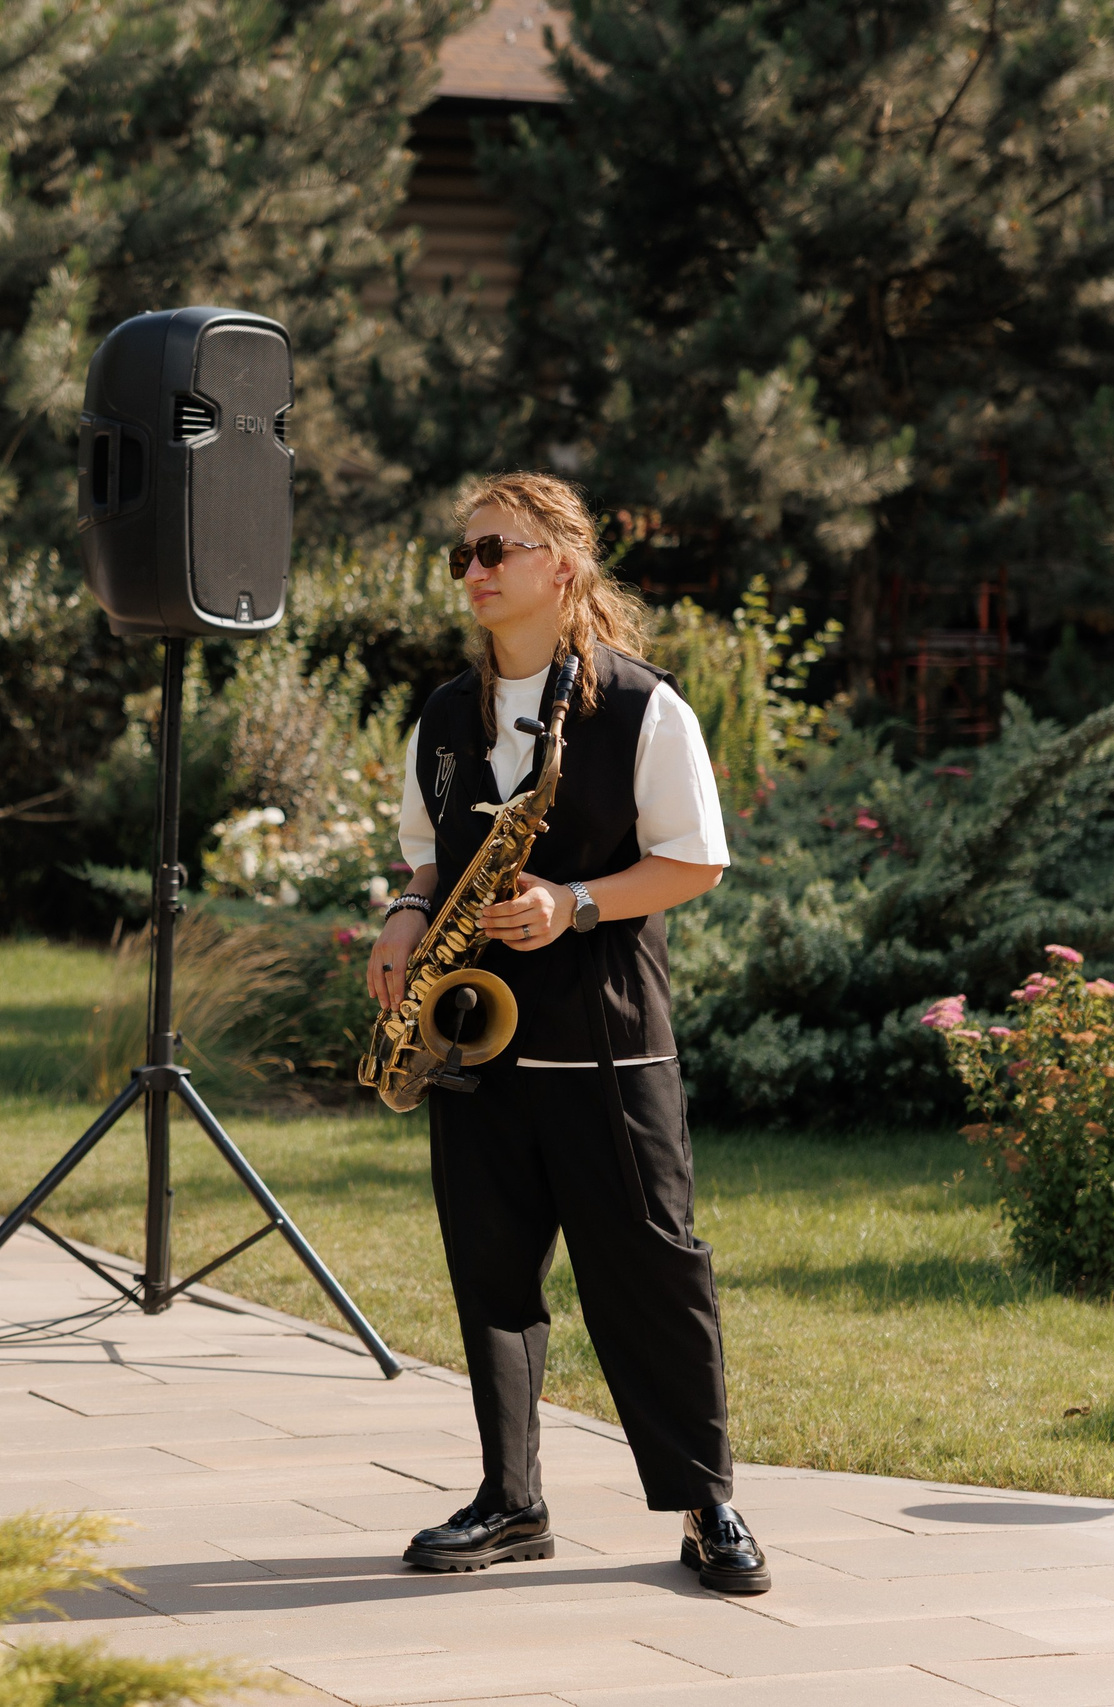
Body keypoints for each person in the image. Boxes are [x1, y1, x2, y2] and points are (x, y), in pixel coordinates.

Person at [366, 471, 767, 1595]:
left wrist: (574, 903)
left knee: (651, 1272)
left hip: (607, 1044)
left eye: (498, 548)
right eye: (465, 554)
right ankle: (511, 1500)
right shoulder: (445, 718)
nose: (476, 570)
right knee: (490, 1277)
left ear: (563, 566)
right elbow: (426, 859)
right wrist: (404, 920)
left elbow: (696, 860)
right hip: (473, 1047)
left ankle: (706, 1506)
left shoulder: (643, 707)